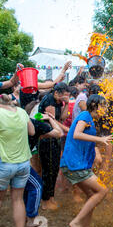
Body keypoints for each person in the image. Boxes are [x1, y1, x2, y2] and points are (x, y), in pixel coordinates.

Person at [60, 94, 113, 227]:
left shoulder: (91, 120)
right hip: (75, 165)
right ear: (95, 106)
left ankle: (86, 226)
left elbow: (84, 139)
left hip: (76, 164)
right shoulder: (85, 115)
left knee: (91, 194)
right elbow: (77, 134)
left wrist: (99, 144)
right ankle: (77, 222)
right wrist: (99, 139)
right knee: (103, 191)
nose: (105, 109)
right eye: (104, 106)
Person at [0, 94, 35, 227]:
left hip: (5, 163)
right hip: (23, 164)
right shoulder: (21, 112)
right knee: (18, 200)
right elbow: (32, 132)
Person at [23, 108, 63, 227]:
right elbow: (59, 133)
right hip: (18, 163)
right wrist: (51, 119)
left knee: (21, 190)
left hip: (7, 162)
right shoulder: (36, 125)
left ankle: (26, 214)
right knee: (36, 186)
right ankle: (31, 217)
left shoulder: (10, 123)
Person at [38, 82, 70, 210]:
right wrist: (69, 129)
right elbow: (53, 121)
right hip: (47, 138)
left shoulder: (57, 101)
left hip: (54, 138)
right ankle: (45, 201)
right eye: (63, 96)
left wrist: (66, 103)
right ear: (56, 92)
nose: (64, 98)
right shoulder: (49, 100)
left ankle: (51, 197)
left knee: (54, 169)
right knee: (48, 170)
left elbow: (62, 118)